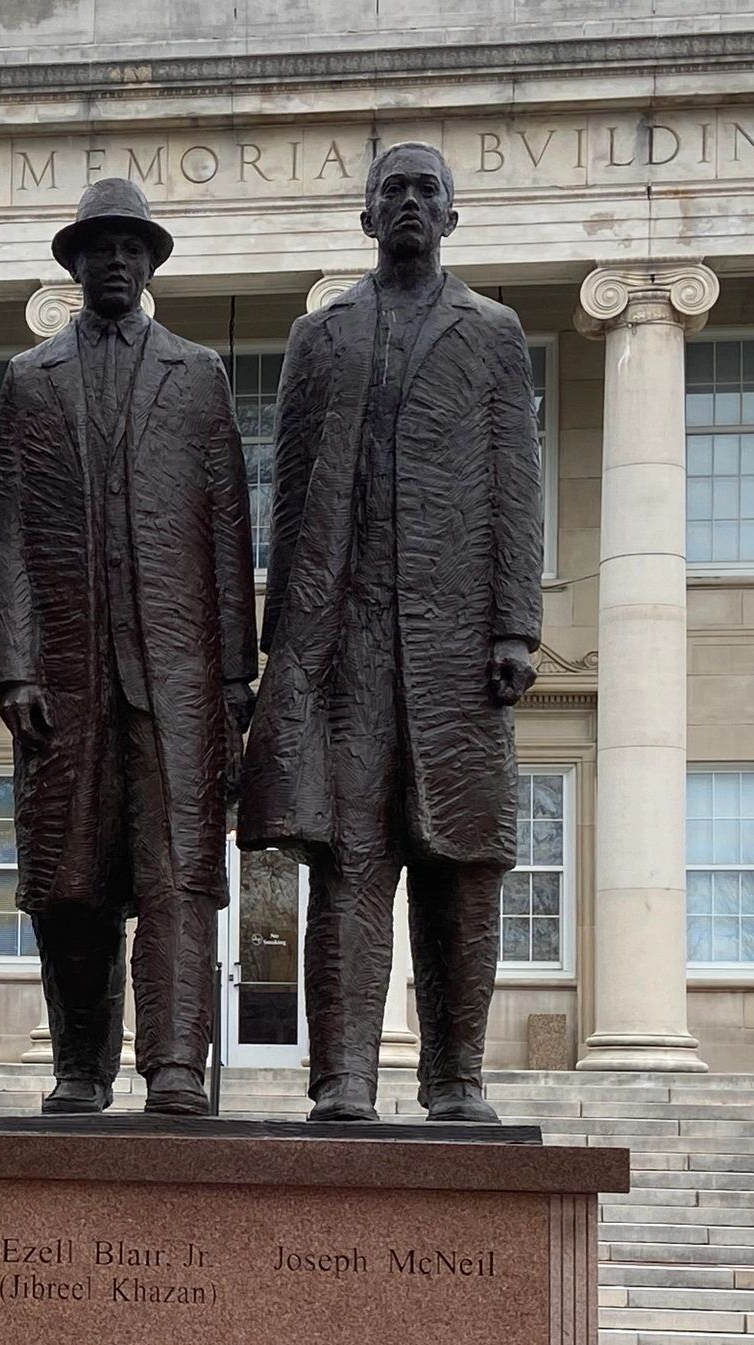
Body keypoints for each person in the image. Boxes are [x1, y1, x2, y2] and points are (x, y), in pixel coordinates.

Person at [238, 142, 542, 1124]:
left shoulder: (492, 333)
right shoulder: (319, 337)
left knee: (461, 863)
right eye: (392, 191)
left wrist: (515, 625)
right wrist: (282, 650)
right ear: (367, 217)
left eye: (426, 191)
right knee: (349, 860)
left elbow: (514, 483)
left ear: (450, 217)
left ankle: (454, 1075)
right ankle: (344, 1076)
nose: (409, 204)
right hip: (345, 642)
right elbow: (288, 501)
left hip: (459, 646)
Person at [0, 179, 256, 1117]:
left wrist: (233, 675)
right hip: (61, 675)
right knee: (69, 880)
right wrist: (9, 663)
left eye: (130, 248)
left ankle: (175, 1063)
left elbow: (229, 533)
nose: (114, 261)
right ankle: (80, 1066)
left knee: (179, 874)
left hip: (175, 681)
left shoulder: (199, 375)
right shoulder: (29, 380)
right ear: (74, 262)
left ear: (150, 264)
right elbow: (6, 532)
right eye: (97, 247)